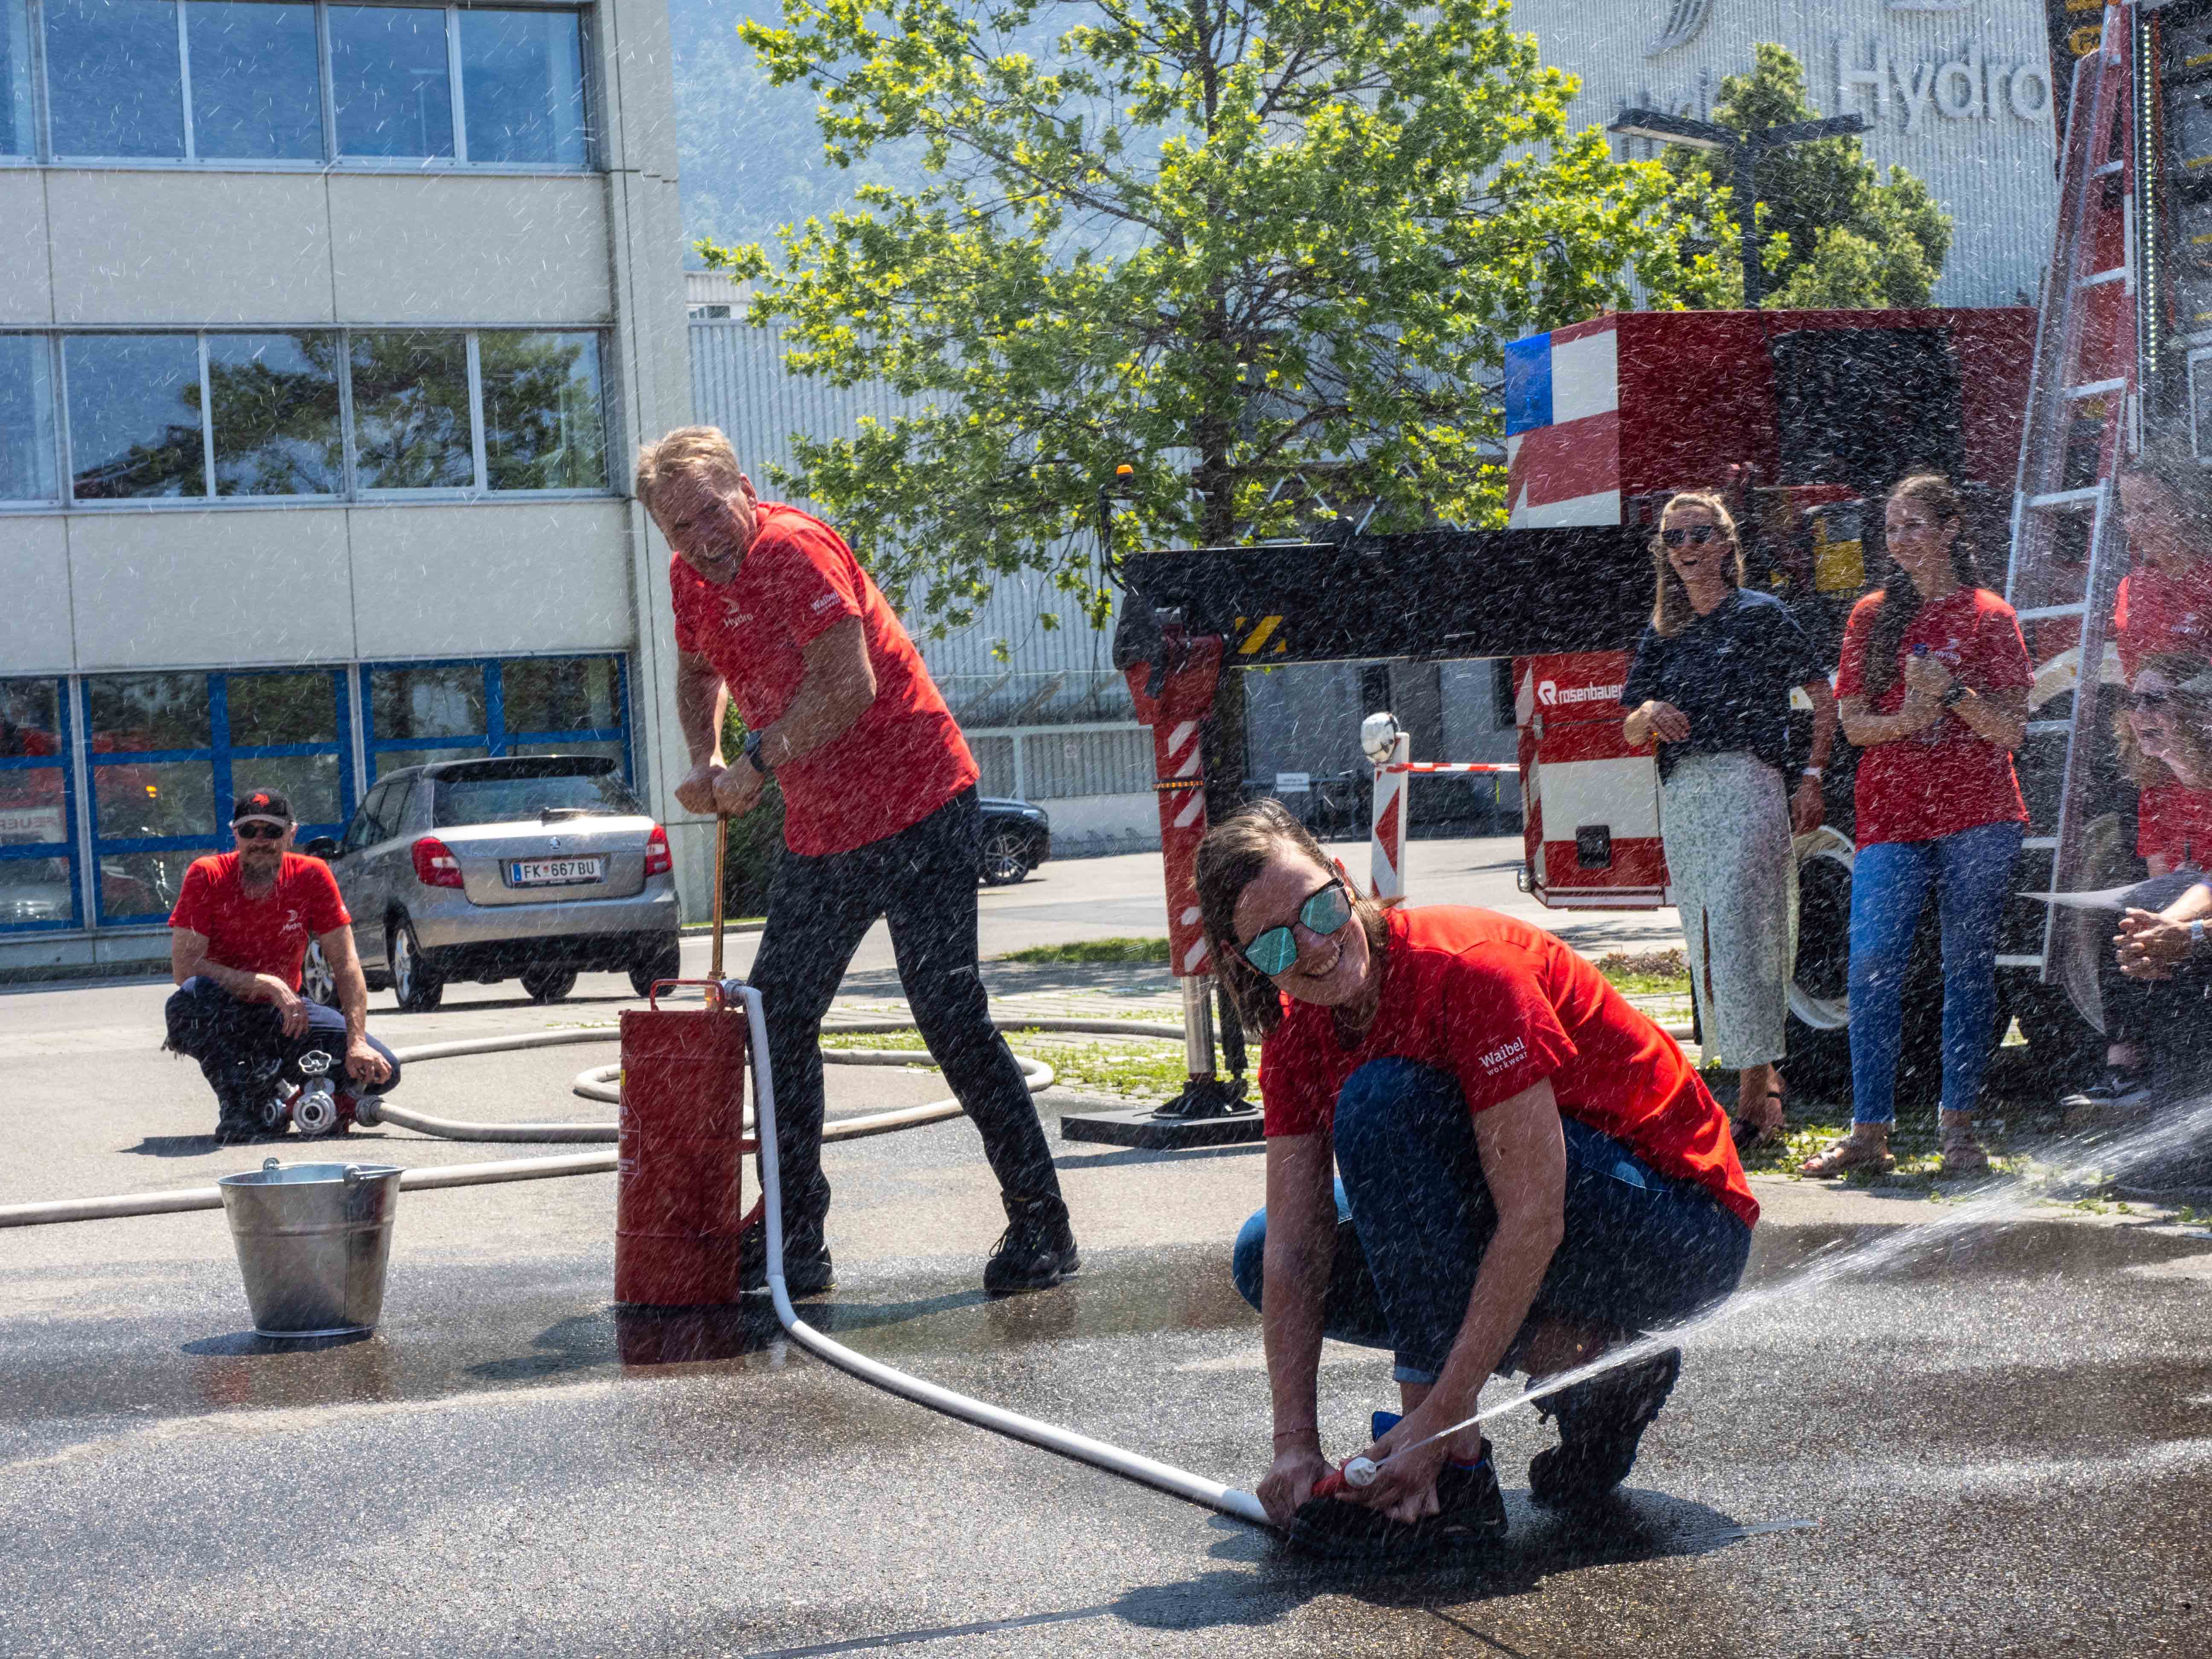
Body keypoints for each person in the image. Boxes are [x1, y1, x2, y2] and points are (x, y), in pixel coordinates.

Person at [1199, 800, 1757, 1555]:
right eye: (1271, 945)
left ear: (1340, 877)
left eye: (1318, 907)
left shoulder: (1468, 969)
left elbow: (1533, 1213)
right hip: (1549, 1215)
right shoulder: (1296, 1038)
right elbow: (1295, 1250)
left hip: (1675, 1225)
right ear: (1242, 964)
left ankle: (1453, 1476)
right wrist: (1291, 1444)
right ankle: (1592, 1365)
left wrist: (1436, 1419)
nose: (1312, 945)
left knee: (1381, 1103)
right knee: (1260, 1249)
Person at [634, 426, 1076, 1298]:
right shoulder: (693, 579)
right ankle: (798, 1240)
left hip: (919, 803)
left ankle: (1043, 1225)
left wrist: (754, 766)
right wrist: (701, 757)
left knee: (948, 1010)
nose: (700, 537)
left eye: (709, 511)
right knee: (775, 1017)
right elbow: (696, 673)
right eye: (678, 528)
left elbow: (849, 686)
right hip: (826, 827)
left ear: (743, 486)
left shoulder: (796, 552)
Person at [1802, 475, 2030, 1180]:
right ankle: (1867, 1131)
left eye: (1913, 525)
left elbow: (2011, 730)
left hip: (1978, 816)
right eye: (1891, 527)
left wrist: (1951, 694)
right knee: (1871, 965)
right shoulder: (1870, 615)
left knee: (1966, 969)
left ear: (1950, 527)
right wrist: (1910, 716)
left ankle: (1956, 1129)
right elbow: (1853, 727)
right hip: (1890, 818)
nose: (1899, 539)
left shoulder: (1989, 615)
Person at [1621, 489, 1837, 1147]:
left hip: (1749, 781)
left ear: (1724, 543)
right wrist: (1650, 714)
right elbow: (1630, 727)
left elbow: (1823, 701)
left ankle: (1753, 1095)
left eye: (1697, 535)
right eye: (1674, 538)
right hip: (1686, 793)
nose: (1685, 549)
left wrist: (1812, 777)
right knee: (1709, 941)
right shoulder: (1663, 631)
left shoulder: (1762, 616)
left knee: (1748, 930)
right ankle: (1759, 1082)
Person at [165, 790, 398, 1144]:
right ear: (235, 835)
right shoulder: (207, 874)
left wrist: (357, 1043)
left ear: (291, 834)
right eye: (249, 831)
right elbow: (186, 969)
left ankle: (297, 1096)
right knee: (189, 1001)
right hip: (226, 1008)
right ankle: (238, 1103)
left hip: (286, 1016)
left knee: (382, 1071)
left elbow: (346, 963)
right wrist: (268, 985)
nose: (260, 841)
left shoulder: (311, 875)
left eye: (272, 832)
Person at [2059, 660, 2212, 1119]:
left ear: (2196, 709)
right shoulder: (2156, 792)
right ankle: (2129, 1069)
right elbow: (2161, 882)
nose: (2140, 712)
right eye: (2134, 701)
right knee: (2129, 918)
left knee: (2161, 931)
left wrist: (2176, 921)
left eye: (2155, 699)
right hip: (2195, 917)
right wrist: (2155, 930)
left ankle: (2170, 1082)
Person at [2110, 437, 2212, 681]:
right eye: (2129, 513)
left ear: (2183, 509)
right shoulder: (2132, 588)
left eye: (2149, 510)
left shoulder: (2207, 577)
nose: (2138, 525)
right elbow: (2134, 672)